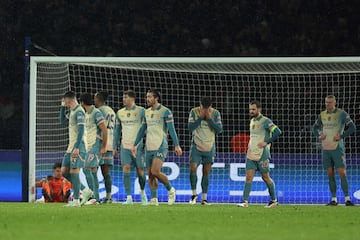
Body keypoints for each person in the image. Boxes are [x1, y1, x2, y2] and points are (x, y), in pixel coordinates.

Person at [132, 89, 182, 206]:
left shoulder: (165, 111)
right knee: (150, 174)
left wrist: (177, 145)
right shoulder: (147, 112)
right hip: (149, 146)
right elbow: (142, 129)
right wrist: (135, 144)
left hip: (161, 145)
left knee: (155, 171)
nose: (147, 99)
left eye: (150, 97)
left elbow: (172, 129)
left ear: (156, 98)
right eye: (147, 97)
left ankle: (171, 190)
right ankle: (154, 200)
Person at [312, 95, 356, 206]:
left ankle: (347, 199)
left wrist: (341, 136)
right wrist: (319, 135)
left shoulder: (342, 114)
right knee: (330, 174)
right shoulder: (322, 115)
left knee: (342, 173)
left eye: (330, 102)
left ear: (334, 102)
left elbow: (352, 127)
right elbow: (314, 127)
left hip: (337, 148)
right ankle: (334, 199)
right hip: (326, 149)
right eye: (326, 102)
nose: (328, 104)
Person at [237, 100, 282, 208]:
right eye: (250, 109)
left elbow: (278, 132)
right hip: (251, 154)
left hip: (262, 154)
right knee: (248, 177)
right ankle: (245, 201)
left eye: (253, 109)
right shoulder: (252, 121)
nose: (251, 111)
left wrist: (267, 142)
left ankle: (274, 200)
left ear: (259, 109)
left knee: (265, 177)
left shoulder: (266, 121)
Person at [114, 90, 148, 205]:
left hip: (138, 147)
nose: (124, 99)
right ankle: (129, 197)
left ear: (132, 99)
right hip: (125, 146)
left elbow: (147, 127)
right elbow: (117, 131)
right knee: (126, 169)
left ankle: (142, 193)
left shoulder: (141, 111)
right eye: (123, 97)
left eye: (126, 97)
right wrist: (114, 146)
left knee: (140, 171)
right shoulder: (120, 113)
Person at [59, 91, 92, 207]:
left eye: (65, 101)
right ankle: (85, 190)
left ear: (69, 100)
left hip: (79, 145)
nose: (65, 103)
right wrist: (63, 108)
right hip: (70, 147)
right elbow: (62, 120)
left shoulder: (79, 111)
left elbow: (81, 130)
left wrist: (77, 148)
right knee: (64, 171)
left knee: (74, 171)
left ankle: (76, 200)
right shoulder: (72, 111)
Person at [188, 97, 222, 205]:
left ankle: (204, 198)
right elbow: (190, 127)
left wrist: (209, 119)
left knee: (206, 172)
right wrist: (200, 118)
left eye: (207, 108)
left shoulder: (216, 113)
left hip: (209, 147)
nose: (205, 109)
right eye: (203, 107)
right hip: (196, 146)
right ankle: (194, 195)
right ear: (200, 105)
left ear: (210, 106)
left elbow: (219, 129)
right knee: (193, 168)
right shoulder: (194, 111)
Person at [80, 93, 108, 205]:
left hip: (95, 146)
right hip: (87, 146)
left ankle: (92, 196)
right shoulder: (85, 114)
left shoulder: (96, 113)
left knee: (86, 168)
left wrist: (104, 146)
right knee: (93, 171)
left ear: (82, 102)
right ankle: (96, 198)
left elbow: (104, 130)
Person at [94, 91, 116, 203]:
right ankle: (108, 197)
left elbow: (99, 127)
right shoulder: (111, 111)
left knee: (93, 170)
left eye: (95, 98)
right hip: (110, 143)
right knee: (106, 172)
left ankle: (95, 197)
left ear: (98, 99)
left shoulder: (98, 111)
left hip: (100, 143)